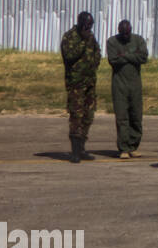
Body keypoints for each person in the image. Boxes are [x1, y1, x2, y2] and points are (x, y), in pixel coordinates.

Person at [60, 11, 101, 163]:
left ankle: (82, 147)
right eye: (87, 24)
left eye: (91, 25)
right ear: (81, 23)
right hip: (76, 83)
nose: (89, 27)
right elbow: (70, 55)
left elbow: (97, 52)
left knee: (88, 115)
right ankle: (75, 151)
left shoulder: (90, 36)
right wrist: (82, 41)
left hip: (90, 82)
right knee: (76, 116)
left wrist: (94, 65)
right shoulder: (70, 37)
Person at [106, 19, 148, 159]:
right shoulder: (112, 42)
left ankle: (134, 145)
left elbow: (143, 57)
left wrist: (125, 55)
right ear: (119, 31)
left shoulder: (138, 40)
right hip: (119, 84)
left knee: (136, 116)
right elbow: (113, 60)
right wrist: (133, 56)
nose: (125, 36)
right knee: (122, 116)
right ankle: (124, 147)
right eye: (123, 33)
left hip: (135, 84)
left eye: (127, 33)